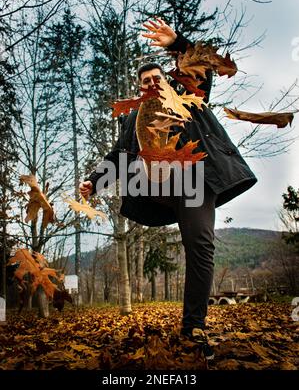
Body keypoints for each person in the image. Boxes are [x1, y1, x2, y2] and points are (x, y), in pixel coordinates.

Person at [79, 18, 257, 360]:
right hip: (156, 188)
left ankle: (193, 326)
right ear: (140, 87)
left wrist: (178, 43)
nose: (151, 83)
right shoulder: (133, 118)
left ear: (166, 80)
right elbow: (118, 155)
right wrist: (94, 180)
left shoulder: (189, 96)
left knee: (201, 247)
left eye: (156, 78)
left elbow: (200, 69)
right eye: (145, 81)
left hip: (195, 183)